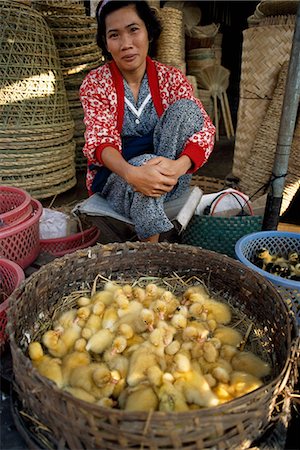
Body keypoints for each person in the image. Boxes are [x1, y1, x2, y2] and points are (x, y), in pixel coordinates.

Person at [80, 0, 215, 242]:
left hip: (172, 176)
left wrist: (178, 167)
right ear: (106, 43)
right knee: (145, 164)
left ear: (148, 32)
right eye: (114, 35)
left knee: (187, 108)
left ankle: (148, 247)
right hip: (118, 177)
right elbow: (100, 141)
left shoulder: (170, 78)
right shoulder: (96, 83)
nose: (126, 44)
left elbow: (204, 129)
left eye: (134, 29)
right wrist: (133, 174)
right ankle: (151, 253)